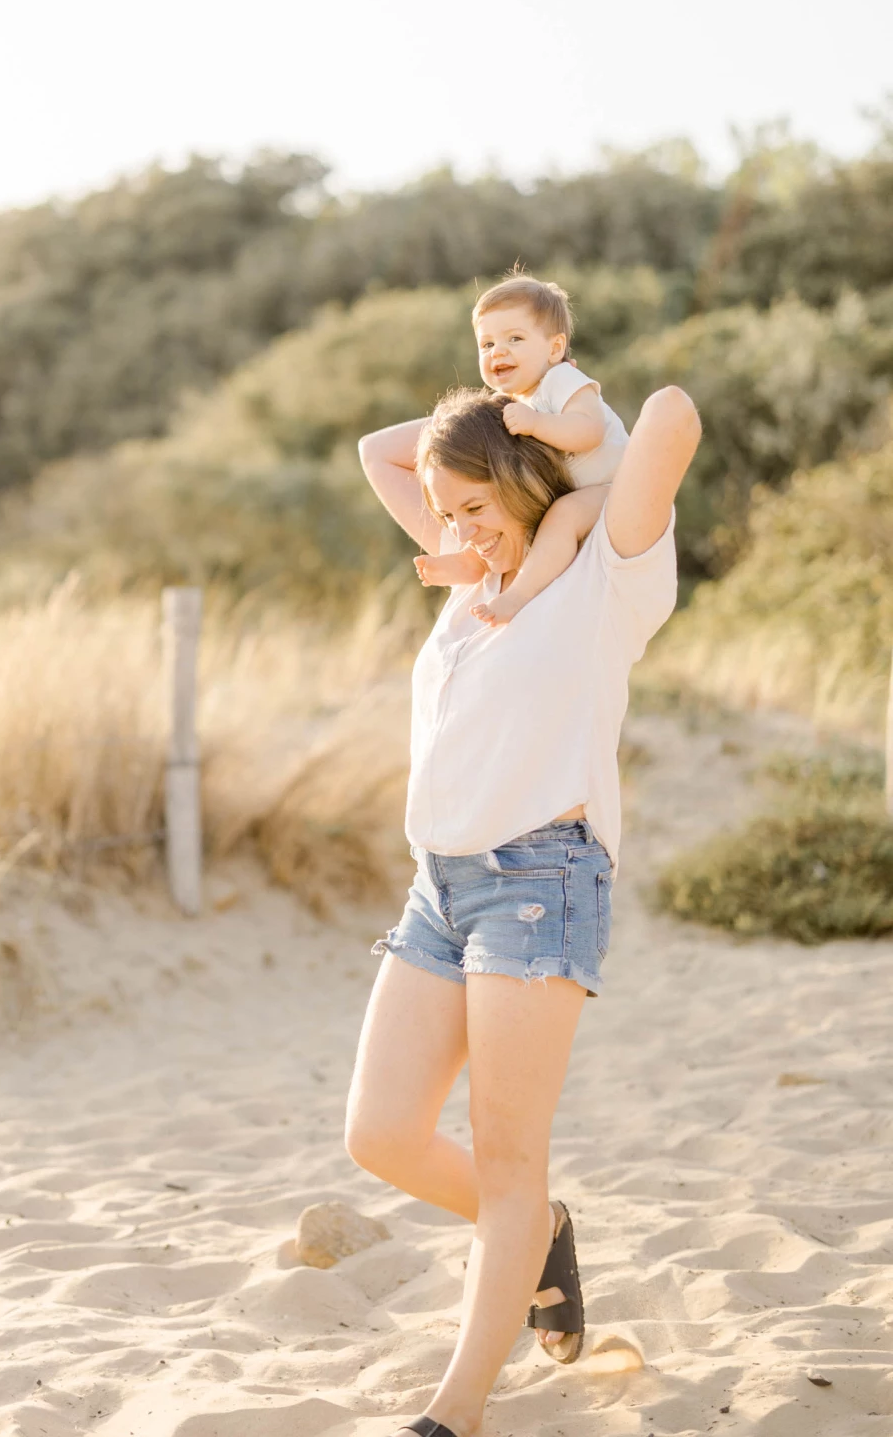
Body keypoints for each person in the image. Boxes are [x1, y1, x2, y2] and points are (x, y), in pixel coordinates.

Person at [347, 381, 700, 1437]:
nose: (451, 529)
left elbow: (673, 414)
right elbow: (380, 450)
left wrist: (561, 424)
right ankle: (536, 1232)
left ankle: (457, 1411)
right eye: (444, 511)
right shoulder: (477, 576)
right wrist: (490, 429)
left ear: (524, 481)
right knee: (381, 1135)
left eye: (471, 507)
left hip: (541, 885)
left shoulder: (606, 573)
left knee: (506, 1155)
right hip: (439, 887)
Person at [419, 272, 630, 601]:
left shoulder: (561, 379)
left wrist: (535, 423)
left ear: (555, 348)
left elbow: (590, 431)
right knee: (518, 514)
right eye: (487, 344)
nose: (497, 352)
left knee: (563, 516)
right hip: (573, 495)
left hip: (616, 491)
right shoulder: (517, 402)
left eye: (514, 339)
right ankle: (475, 563)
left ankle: (518, 596)